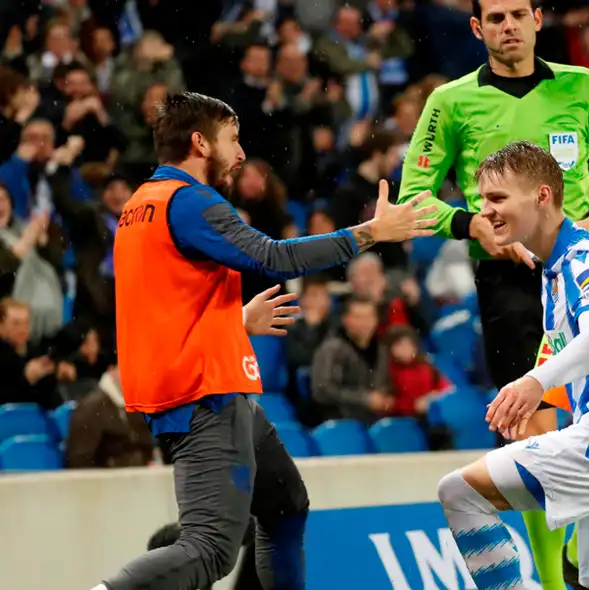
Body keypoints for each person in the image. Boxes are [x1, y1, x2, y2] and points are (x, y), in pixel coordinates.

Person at [92, 91, 434, 590]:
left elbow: (163, 308)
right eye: (232, 139)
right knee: (209, 549)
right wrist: (370, 233)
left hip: (197, 382)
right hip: (207, 393)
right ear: (199, 144)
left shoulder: (140, 206)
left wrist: (233, 322)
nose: (242, 153)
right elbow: (274, 257)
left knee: (285, 507)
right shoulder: (189, 201)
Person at [398, 0, 589, 583]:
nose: (508, 27)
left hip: (584, 273)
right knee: (532, 426)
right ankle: (557, 579)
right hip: (507, 283)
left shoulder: (580, 87)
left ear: (538, 19)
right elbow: (416, 195)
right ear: (478, 28)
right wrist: (474, 224)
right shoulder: (451, 101)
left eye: (518, 14)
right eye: (496, 18)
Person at [437, 141, 589, 590]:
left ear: (543, 196)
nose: (485, 211)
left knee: (459, 491)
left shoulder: (583, 258)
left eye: (497, 198)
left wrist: (533, 382)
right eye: (482, 199)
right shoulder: (556, 266)